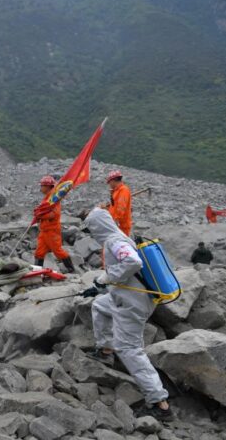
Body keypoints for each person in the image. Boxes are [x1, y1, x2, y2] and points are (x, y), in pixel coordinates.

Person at [81, 208, 174, 421]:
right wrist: (100, 287)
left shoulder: (115, 241)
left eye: (91, 229)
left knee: (129, 349)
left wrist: (105, 279)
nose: (91, 234)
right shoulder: (118, 237)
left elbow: (133, 262)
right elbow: (126, 274)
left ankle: (160, 404)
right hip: (125, 297)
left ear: (98, 226)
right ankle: (105, 350)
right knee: (99, 306)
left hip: (132, 304)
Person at [34, 176, 76, 273]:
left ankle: (71, 269)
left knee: (58, 251)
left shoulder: (54, 199)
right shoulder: (47, 199)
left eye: (42, 186)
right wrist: (39, 215)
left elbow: (54, 214)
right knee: (39, 252)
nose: (41, 188)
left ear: (48, 187)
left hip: (52, 231)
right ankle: (36, 272)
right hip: (44, 230)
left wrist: (41, 215)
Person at [103, 170, 132, 236]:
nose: (109, 184)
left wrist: (115, 222)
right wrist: (106, 208)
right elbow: (114, 206)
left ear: (114, 180)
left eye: (109, 182)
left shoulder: (123, 190)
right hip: (116, 225)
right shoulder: (116, 191)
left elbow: (121, 208)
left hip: (121, 226)